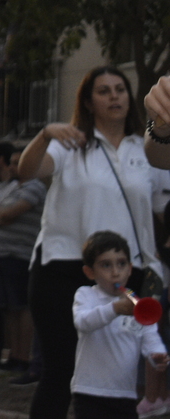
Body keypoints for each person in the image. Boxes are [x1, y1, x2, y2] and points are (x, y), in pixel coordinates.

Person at [18, 65, 160, 419]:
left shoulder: (146, 148)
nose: (114, 96)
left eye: (120, 89)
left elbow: (162, 205)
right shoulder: (70, 144)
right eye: (104, 90)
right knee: (60, 371)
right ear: (88, 101)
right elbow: (27, 171)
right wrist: (43, 135)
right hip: (62, 270)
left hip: (125, 276)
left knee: (118, 374)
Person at [71, 231, 168, 418]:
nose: (115, 272)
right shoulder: (86, 295)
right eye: (106, 265)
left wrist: (157, 356)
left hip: (125, 394)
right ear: (89, 272)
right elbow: (83, 322)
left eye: (121, 264)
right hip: (89, 391)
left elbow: (150, 337)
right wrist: (114, 309)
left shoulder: (137, 305)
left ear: (130, 269)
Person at [0, 139, 45, 380]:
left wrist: (0, 216)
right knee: (9, 309)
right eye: (14, 163)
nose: (17, 167)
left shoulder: (35, 187)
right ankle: (14, 356)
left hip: (20, 254)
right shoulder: (14, 188)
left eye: (21, 162)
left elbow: (7, 213)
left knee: (21, 308)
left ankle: (23, 357)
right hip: (3, 255)